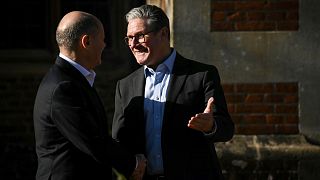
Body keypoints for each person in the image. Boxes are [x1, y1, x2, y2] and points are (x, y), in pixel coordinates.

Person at [112, 4, 234, 180]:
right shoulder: (125, 86)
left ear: (163, 33)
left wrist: (210, 125)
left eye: (140, 36)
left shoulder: (201, 75)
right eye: (129, 38)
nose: (133, 44)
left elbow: (226, 129)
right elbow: (120, 139)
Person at [33, 11, 146, 180]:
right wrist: (133, 165)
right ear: (86, 41)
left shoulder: (72, 79)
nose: (104, 45)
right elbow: (92, 140)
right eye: (102, 39)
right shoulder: (64, 87)